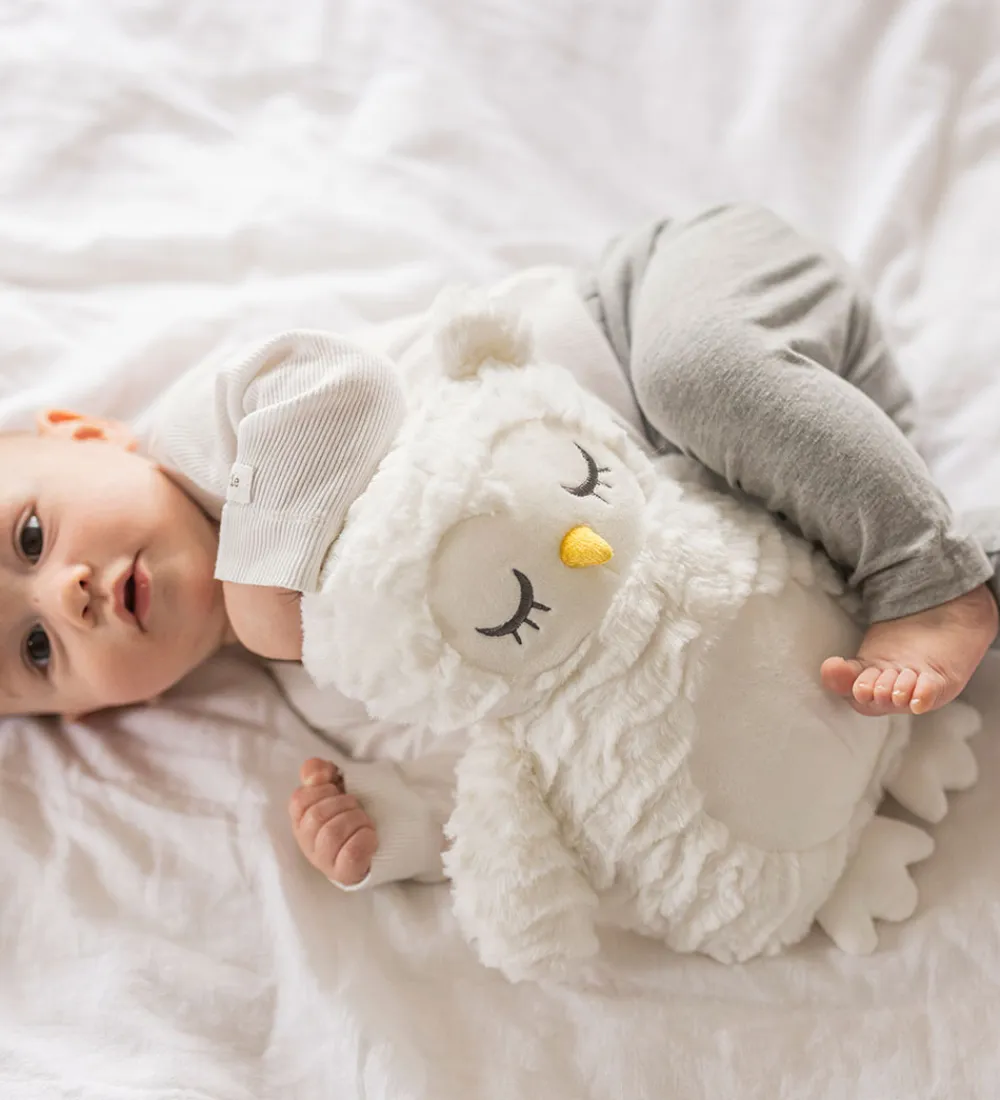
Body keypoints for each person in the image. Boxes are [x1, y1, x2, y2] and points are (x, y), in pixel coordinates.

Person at [1, 204, 996, 891]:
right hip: (770, 494)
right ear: (94, 711)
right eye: (35, 648)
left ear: (85, 434)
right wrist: (391, 829)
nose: (66, 595)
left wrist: (262, 578)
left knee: (695, 374)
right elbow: (486, 757)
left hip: (670, 312)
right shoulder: (320, 687)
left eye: (31, 538)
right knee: (807, 655)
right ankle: (956, 568)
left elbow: (334, 387)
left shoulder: (207, 437)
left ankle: (927, 578)